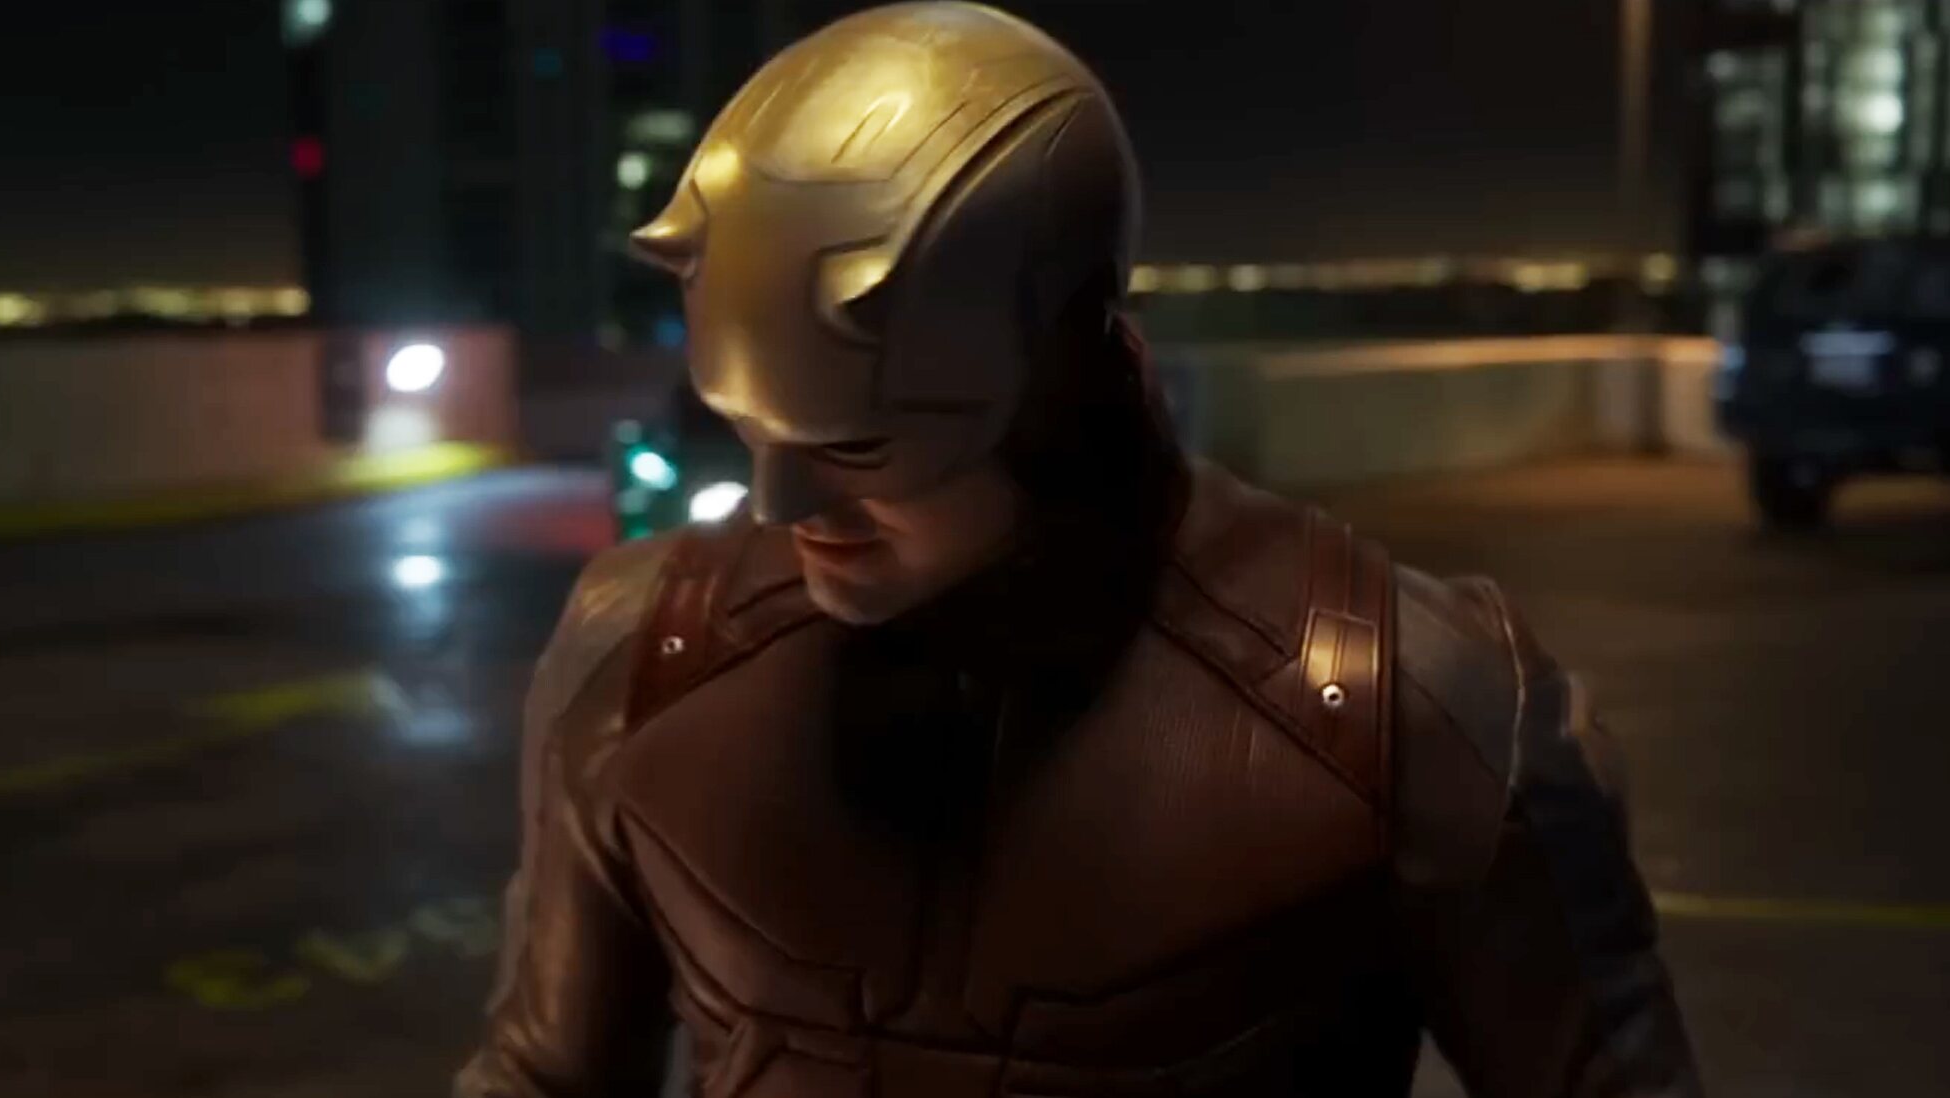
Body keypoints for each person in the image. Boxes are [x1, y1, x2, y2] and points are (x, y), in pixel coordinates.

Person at [456, 4, 1704, 1095]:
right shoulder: (641, 651)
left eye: (859, 447)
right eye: (747, 429)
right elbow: (542, 1076)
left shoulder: (1411, 707)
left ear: (1058, 382)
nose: (779, 506)